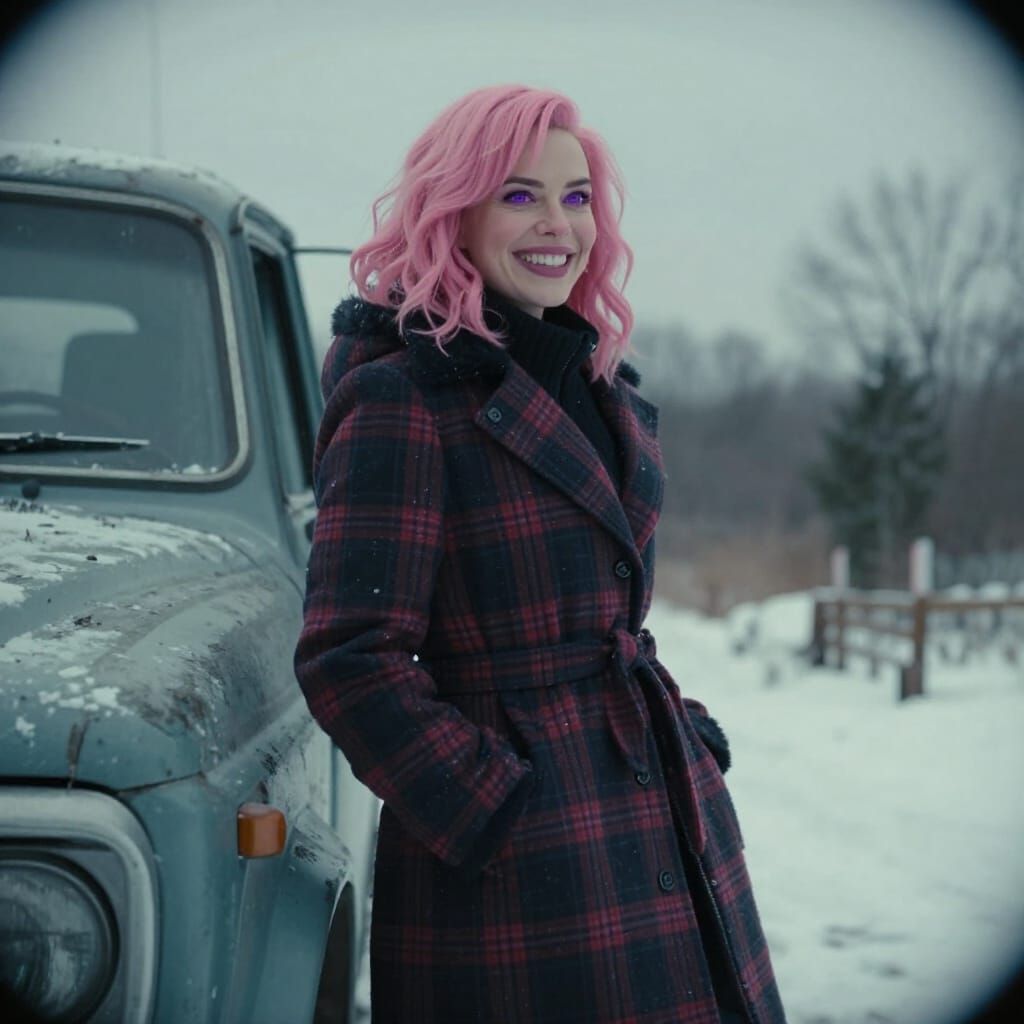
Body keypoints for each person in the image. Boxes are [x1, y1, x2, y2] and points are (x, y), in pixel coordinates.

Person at [294, 83, 786, 1024]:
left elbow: (604, 618)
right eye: (518, 194)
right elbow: (347, 659)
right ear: (456, 212)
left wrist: (686, 732)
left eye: (576, 195)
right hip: (519, 880)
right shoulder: (403, 397)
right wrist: (493, 807)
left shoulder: (596, 387)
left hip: (660, 828)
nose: (556, 222)